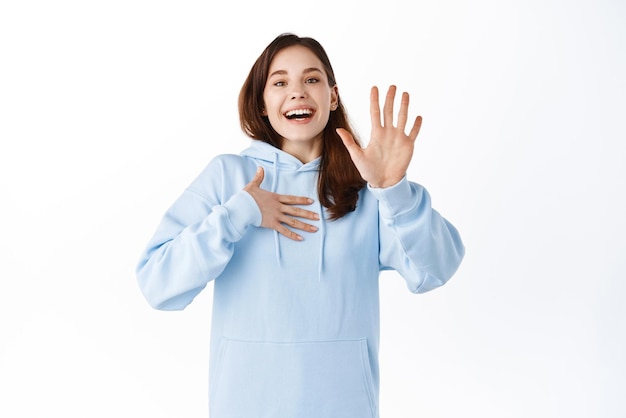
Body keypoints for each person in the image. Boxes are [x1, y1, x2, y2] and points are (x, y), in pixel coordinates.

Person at [136, 33, 465, 418]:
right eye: (280, 83)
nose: (297, 92)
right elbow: (157, 285)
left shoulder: (366, 187)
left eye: (311, 79)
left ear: (333, 96)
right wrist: (237, 214)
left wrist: (393, 189)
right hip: (245, 405)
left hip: (345, 406)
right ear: (262, 103)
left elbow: (435, 271)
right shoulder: (228, 177)